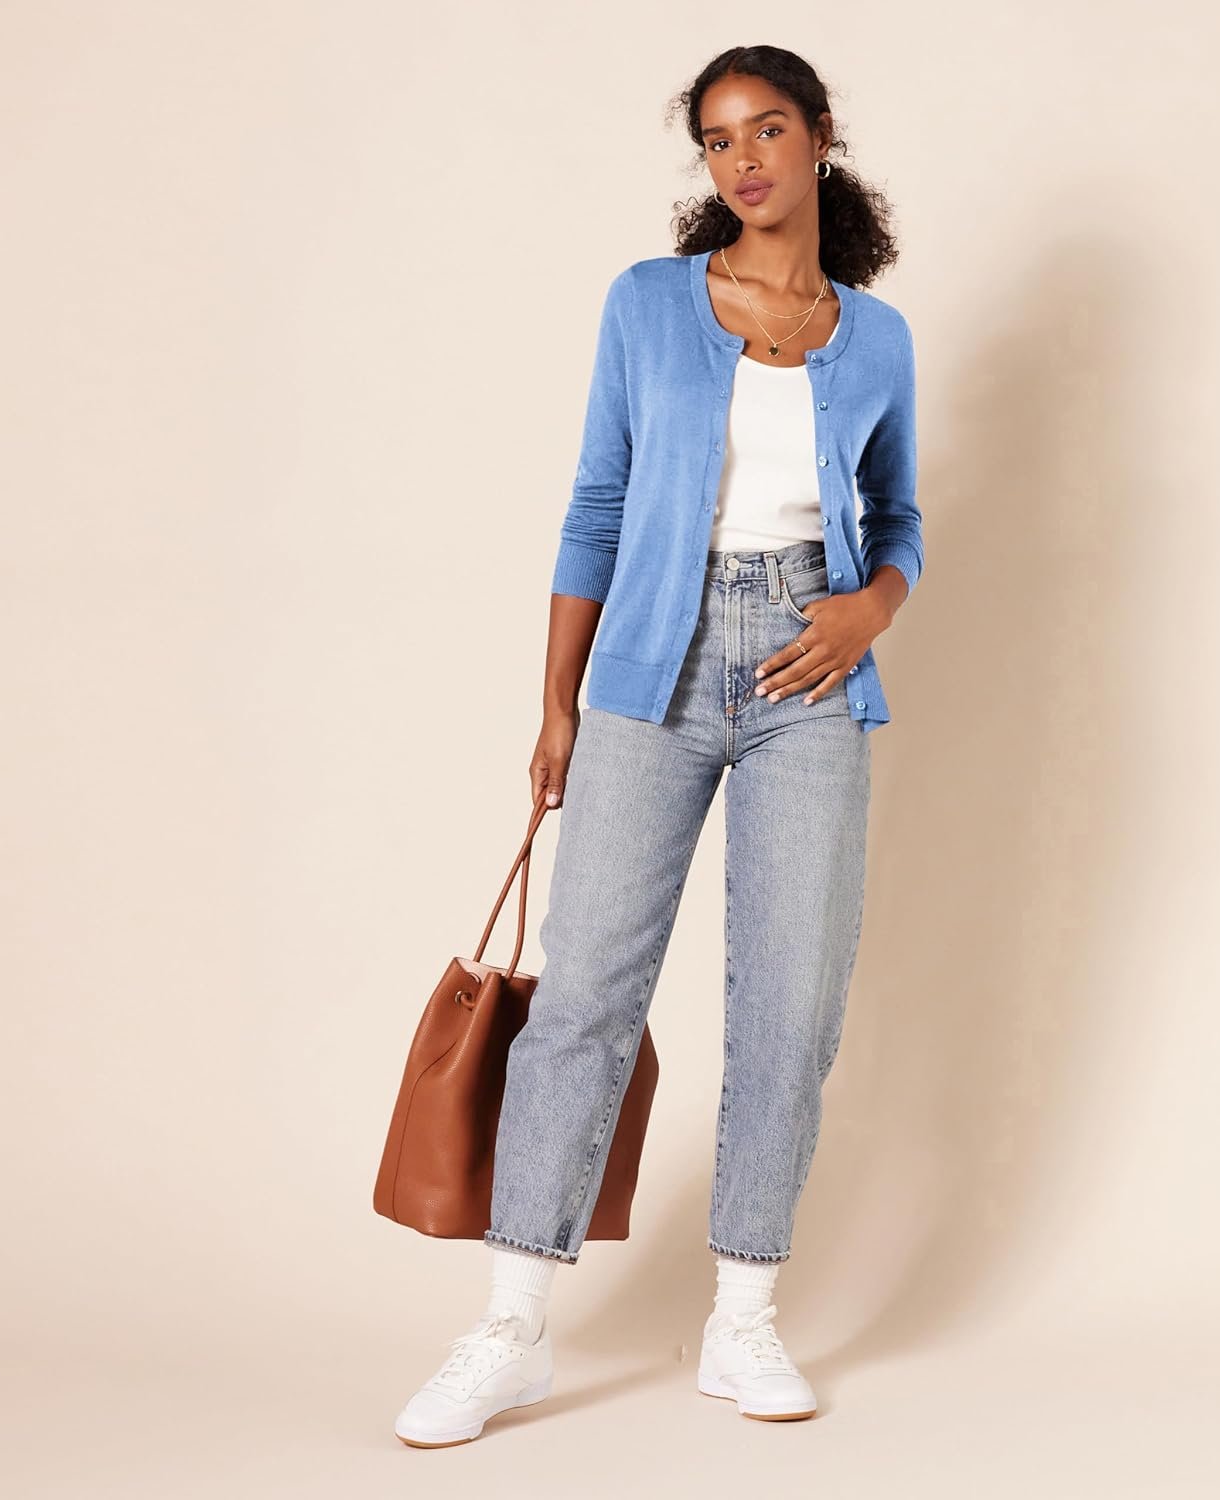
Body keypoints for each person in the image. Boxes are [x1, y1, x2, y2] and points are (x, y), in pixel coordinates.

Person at [394, 44, 923, 1448]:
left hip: (814, 670)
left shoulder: (876, 337)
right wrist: (558, 705)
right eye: (717, 140)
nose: (743, 160)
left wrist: (869, 609)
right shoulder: (645, 302)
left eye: (767, 129)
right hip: (651, 661)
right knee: (586, 994)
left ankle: (743, 1319)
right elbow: (596, 504)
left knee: (793, 1006)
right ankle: (512, 1329)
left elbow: (900, 519)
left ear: (820, 138)